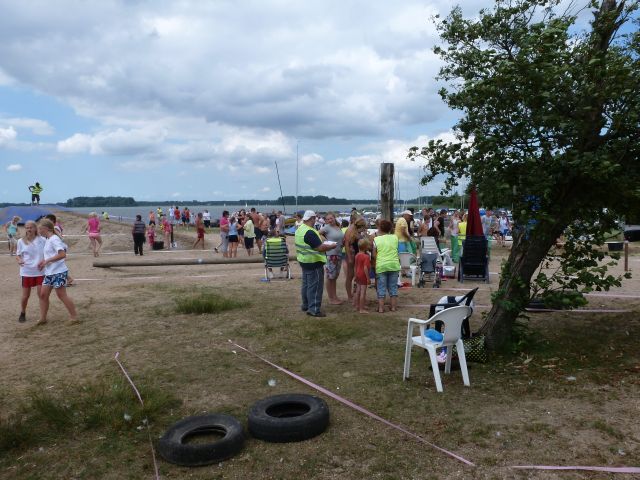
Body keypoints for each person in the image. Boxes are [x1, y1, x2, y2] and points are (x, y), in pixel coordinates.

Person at [37, 219, 78, 325]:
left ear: (46, 229)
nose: (39, 231)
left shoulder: (54, 239)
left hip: (58, 272)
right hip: (49, 272)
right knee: (43, 295)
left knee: (61, 295)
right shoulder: (48, 239)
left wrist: (47, 261)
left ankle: (74, 317)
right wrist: (43, 262)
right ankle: (43, 318)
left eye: (40, 228)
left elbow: (62, 254)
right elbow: (50, 255)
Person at [295, 211, 334, 318]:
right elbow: (319, 247)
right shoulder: (310, 232)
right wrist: (331, 246)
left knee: (306, 285)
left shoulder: (300, 229)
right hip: (313, 262)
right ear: (311, 218)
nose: (315, 220)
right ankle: (314, 309)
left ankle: (306, 305)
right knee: (315, 287)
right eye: (314, 218)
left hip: (304, 260)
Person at [15, 220, 45, 323]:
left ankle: (42, 317)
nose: (29, 229)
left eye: (31, 227)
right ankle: (23, 312)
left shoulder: (42, 240)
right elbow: (18, 255)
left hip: (40, 271)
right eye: (27, 227)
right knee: (25, 296)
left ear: (35, 228)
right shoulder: (20, 241)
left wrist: (44, 261)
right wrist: (19, 260)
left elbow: (48, 253)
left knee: (41, 294)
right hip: (27, 271)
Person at [372, 219, 401, 313]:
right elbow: (397, 250)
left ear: (380, 228)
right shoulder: (395, 238)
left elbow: (373, 255)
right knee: (393, 287)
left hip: (381, 265)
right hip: (394, 264)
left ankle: (381, 308)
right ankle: (393, 307)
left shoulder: (376, 239)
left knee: (381, 287)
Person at [319, 212, 344, 305]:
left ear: (334, 218)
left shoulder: (338, 227)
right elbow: (318, 233)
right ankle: (331, 298)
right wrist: (325, 240)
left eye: (331, 218)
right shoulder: (326, 227)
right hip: (331, 254)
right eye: (328, 219)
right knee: (330, 277)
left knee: (335, 277)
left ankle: (335, 296)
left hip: (339, 254)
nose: (330, 220)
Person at [343, 216, 368, 302]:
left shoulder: (356, 231)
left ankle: (356, 294)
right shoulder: (350, 231)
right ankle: (350, 296)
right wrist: (349, 257)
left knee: (358, 275)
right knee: (350, 276)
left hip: (357, 254)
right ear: (360, 226)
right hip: (352, 255)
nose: (364, 229)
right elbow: (346, 245)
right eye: (363, 227)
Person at [354, 238, 371, 314]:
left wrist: (355, 275)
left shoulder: (357, 255)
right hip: (363, 275)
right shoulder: (366, 257)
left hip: (357, 274)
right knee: (363, 292)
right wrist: (368, 278)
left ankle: (357, 306)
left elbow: (355, 266)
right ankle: (361, 309)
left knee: (358, 291)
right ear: (366, 247)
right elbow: (365, 268)